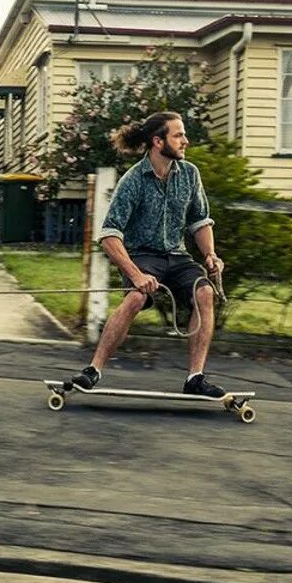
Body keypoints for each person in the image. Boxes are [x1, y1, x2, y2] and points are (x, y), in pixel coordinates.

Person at [68, 111, 226, 396]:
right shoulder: (133, 181)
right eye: (178, 135)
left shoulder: (190, 175)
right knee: (136, 297)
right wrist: (136, 274)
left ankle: (195, 379)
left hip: (177, 257)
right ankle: (93, 370)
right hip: (143, 256)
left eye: (183, 135)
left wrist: (211, 254)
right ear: (157, 141)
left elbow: (199, 221)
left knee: (205, 293)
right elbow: (110, 236)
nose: (185, 141)